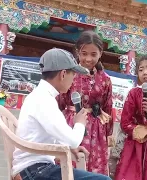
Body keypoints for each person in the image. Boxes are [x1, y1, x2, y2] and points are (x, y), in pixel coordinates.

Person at [12, 48, 111, 180]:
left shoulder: (40, 96)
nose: (74, 78)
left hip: (35, 168)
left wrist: (68, 148)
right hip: (34, 171)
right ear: (63, 74)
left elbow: (57, 137)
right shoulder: (44, 100)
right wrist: (79, 123)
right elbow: (74, 141)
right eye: (73, 74)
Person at [57, 30, 113, 175]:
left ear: (101, 53)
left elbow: (107, 107)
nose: (88, 59)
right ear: (77, 52)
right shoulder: (69, 74)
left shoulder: (105, 79)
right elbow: (60, 102)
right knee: (70, 166)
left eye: (93, 54)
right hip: (70, 123)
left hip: (96, 130)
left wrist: (109, 134)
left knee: (94, 167)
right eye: (84, 53)